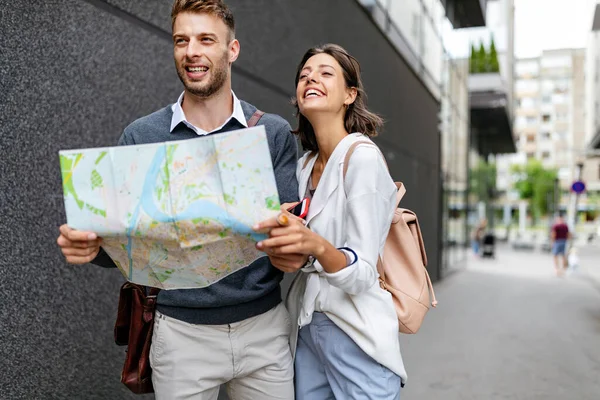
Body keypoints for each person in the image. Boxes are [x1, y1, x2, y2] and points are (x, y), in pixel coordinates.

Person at [56, 1, 304, 398]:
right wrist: (92, 245)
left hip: (263, 328)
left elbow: (290, 248)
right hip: (181, 337)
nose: (192, 51)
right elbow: (119, 249)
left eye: (206, 39)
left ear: (232, 49)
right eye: (181, 41)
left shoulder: (270, 133)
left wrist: (291, 244)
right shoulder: (141, 138)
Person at [253, 44, 405, 399]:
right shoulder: (303, 166)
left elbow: (364, 272)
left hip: (355, 333)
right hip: (307, 329)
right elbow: (301, 256)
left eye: (325, 73)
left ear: (350, 94)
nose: (311, 79)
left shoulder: (363, 157)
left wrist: (314, 244)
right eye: (304, 75)